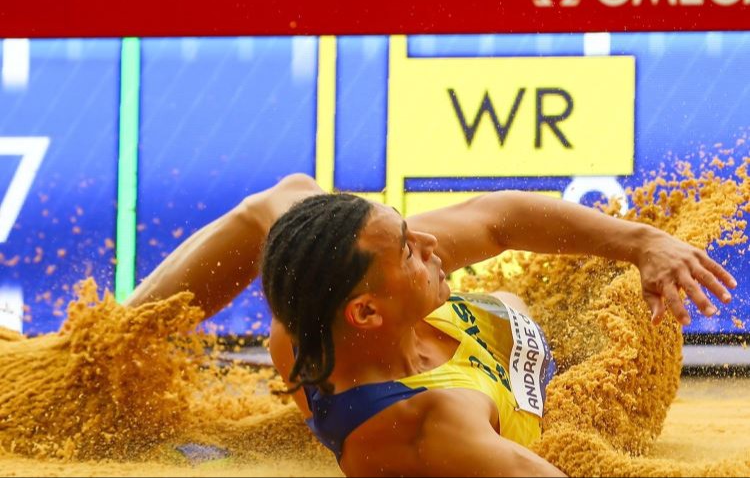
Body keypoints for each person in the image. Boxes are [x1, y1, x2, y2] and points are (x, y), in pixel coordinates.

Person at [126, 173, 736, 477]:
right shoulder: (436, 428)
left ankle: (109, 340)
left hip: (467, 342)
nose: (429, 241)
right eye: (409, 249)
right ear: (367, 312)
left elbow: (496, 217)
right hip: (551, 375)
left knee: (291, 191)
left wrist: (642, 242)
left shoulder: (325, 302)